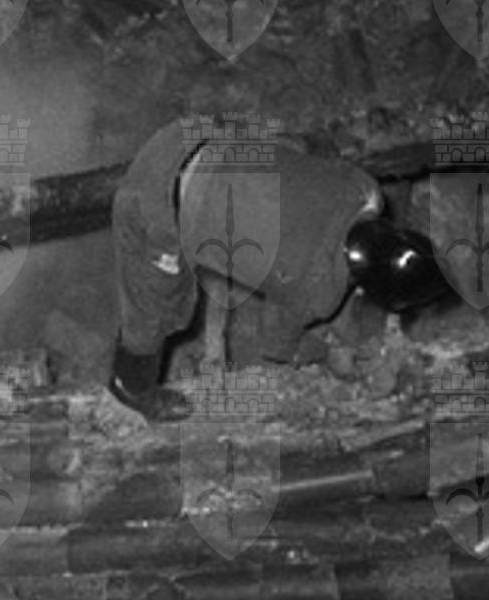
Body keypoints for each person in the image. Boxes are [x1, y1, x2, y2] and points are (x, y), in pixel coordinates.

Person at [107, 117, 454, 420]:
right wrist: (316, 351)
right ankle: (131, 388)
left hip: (193, 133)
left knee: (286, 163)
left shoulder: (364, 189)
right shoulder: (317, 294)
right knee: (158, 309)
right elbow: (274, 343)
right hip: (153, 203)